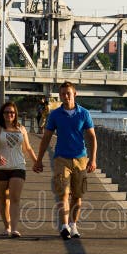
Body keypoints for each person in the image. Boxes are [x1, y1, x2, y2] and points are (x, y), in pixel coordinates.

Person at [33, 81, 97, 240]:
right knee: (63, 193)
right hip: (61, 158)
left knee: (77, 196)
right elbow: (46, 138)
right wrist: (39, 160)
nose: (65, 96)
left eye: (68, 93)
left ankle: (73, 225)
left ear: (75, 94)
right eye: (62, 94)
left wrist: (93, 159)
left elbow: (91, 137)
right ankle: (64, 226)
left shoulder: (84, 114)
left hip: (80, 159)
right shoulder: (55, 115)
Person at [0, 101, 38, 238]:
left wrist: (36, 162)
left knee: (15, 198)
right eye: (6, 112)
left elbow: (28, 148)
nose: (9, 114)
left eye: (12, 112)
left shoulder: (21, 129)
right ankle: (7, 227)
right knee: (3, 199)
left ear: (15, 114)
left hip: (18, 166)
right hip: (0, 167)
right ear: (2, 114)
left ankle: (15, 229)